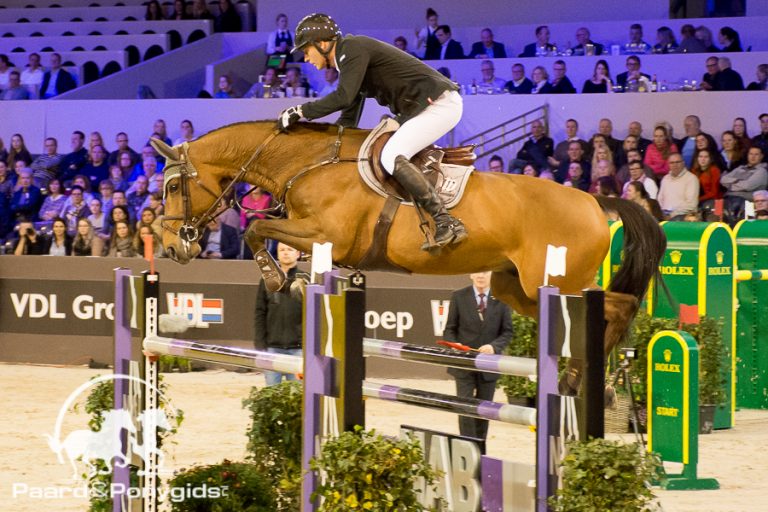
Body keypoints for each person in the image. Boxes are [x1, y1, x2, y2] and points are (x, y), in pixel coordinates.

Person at [278, 13, 467, 250]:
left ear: (323, 44)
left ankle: (445, 221)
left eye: (306, 50)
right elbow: (348, 116)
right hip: (422, 108)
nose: (305, 58)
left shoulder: (352, 48)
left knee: (390, 156)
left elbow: (343, 97)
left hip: (438, 104)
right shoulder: (350, 61)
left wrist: (301, 110)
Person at [443, 271, 512, 440]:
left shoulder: (502, 299)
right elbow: (449, 330)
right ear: (471, 275)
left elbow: (507, 332)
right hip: (463, 365)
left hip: (489, 366)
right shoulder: (458, 296)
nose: (481, 276)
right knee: (465, 408)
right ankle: (467, 447)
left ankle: (481, 449)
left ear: (492, 275)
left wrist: (493, 346)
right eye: (477, 272)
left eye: (485, 272)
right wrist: (455, 345)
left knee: (485, 410)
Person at [254, 243, 304, 386]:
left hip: (297, 349)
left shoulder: (305, 280)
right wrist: (260, 344)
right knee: (270, 393)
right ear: (277, 254)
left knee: (296, 397)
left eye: (290, 249)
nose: (286, 253)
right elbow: (260, 312)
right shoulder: (267, 280)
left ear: (298, 253)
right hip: (272, 349)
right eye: (282, 250)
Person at [721, 147, 768, 220]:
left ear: (761, 156)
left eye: (756, 154)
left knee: (732, 209)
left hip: (746, 200)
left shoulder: (762, 171)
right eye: (751, 154)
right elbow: (723, 179)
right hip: (728, 197)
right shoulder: (740, 168)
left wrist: (731, 185)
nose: (753, 157)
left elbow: (748, 186)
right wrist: (738, 181)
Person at [657, 153, 700, 220]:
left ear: (683, 163)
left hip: (682, 218)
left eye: (677, 162)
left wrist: (672, 214)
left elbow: (691, 204)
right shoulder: (665, 179)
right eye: (672, 163)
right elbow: (660, 200)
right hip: (664, 217)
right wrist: (662, 214)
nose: (675, 165)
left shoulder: (691, 178)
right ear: (668, 165)